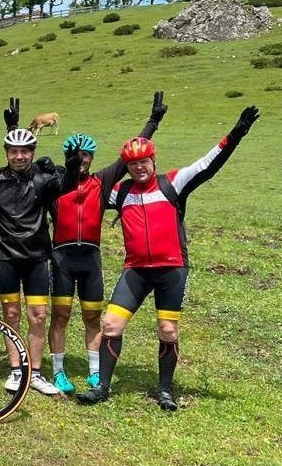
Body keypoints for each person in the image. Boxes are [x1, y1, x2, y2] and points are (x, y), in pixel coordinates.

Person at [78, 106, 259, 410]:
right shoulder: (119, 193)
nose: (138, 168)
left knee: (167, 329)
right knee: (110, 325)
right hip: (135, 270)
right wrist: (74, 168)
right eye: (132, 164)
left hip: (172, 269)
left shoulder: (172, 183)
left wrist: (237, 132)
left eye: (144, 162)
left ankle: (164, 390)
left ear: (153, 160)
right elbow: (85, 191)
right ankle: (102, 388)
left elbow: (208, 164)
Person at [47, 92, 168, 393]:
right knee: (60, 316)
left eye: (86, 155)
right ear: (68, 157)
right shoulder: (56, 182)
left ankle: (94, 372)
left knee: (92, 317)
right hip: (61, 258)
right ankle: (58, 372)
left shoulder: (101, 181)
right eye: (76, 155)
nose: (82, 160)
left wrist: (152, 122)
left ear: (92, 158)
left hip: (90, 259)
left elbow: (130, 157)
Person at [0, 124, 80, 396]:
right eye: (14, 151)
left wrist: (71, 165)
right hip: (5, 256)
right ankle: (17, 371)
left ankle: (36, 372)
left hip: (36, 257)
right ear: (6, 153)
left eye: (25, 151)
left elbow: (66, 186)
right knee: (12, 315)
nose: (19, 157)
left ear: (32, 152)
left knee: (38, 315)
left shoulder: (42, 178)